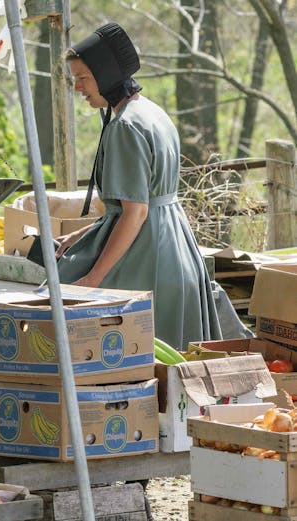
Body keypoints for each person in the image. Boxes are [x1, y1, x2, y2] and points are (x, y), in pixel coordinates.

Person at [55, 22, 221, 351]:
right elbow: (137, 203)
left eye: (83, 77)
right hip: (177, 248)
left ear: (104, 74)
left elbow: (137, 212)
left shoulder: (125, 126)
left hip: (147, 259)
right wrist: (82, 234)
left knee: (68, 312)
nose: (78, 88)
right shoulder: (152, 112)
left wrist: (93, 280)